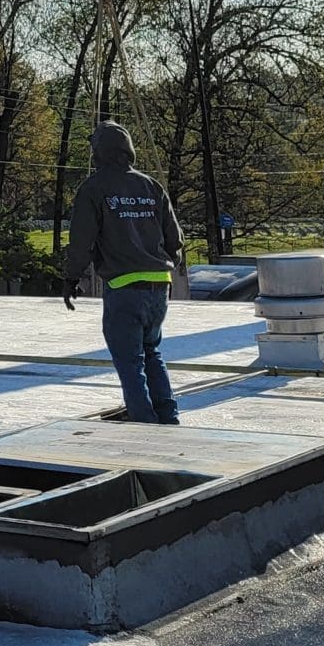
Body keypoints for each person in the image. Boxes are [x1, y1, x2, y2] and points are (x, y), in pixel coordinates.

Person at [61, 119, 184, 424]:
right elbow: (175, 240)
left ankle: (144, 422)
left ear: (99, 152)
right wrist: (164, 266)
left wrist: (71, 277)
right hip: (159, 287)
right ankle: (168, 415)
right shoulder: (151, 186)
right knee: (151, 351)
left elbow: (81, 241)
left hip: (125, 287)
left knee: (130, 361)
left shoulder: (94, 188)